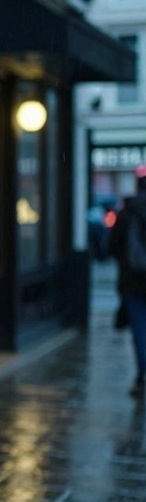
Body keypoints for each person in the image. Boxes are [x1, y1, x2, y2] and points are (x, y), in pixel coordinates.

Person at [110, 170, 146, 397]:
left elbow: (111, 248)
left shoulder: (127, 213)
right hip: (132, 281)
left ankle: (142, 375)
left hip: (132, 281)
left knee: (140, 330)